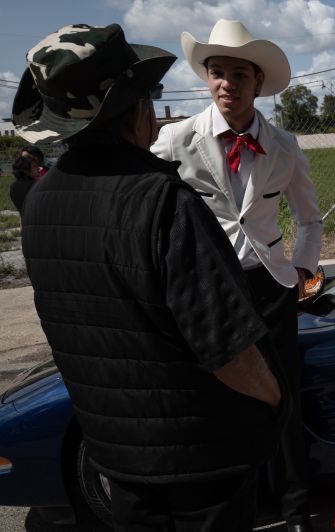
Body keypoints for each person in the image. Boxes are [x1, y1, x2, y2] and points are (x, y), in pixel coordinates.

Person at [13, 23, 289, 531]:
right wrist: (274, 397)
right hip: (204, 464)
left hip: (117, 455)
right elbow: (228, 348)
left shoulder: (40, 202)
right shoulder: (161, 201)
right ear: (134, 109)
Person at [151, 19, 322, 532]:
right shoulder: (176, 140)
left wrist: (304, 268)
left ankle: (295, 508)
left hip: (270, 284)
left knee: (282, 397)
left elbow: (310, 218)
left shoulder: (285, 145)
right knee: (221, 397)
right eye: (217, 72)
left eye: (238, 75)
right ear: (208, 79)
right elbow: (144, 202)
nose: (227, 84)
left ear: (257, 83)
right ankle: (234, 506)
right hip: (206, 288)